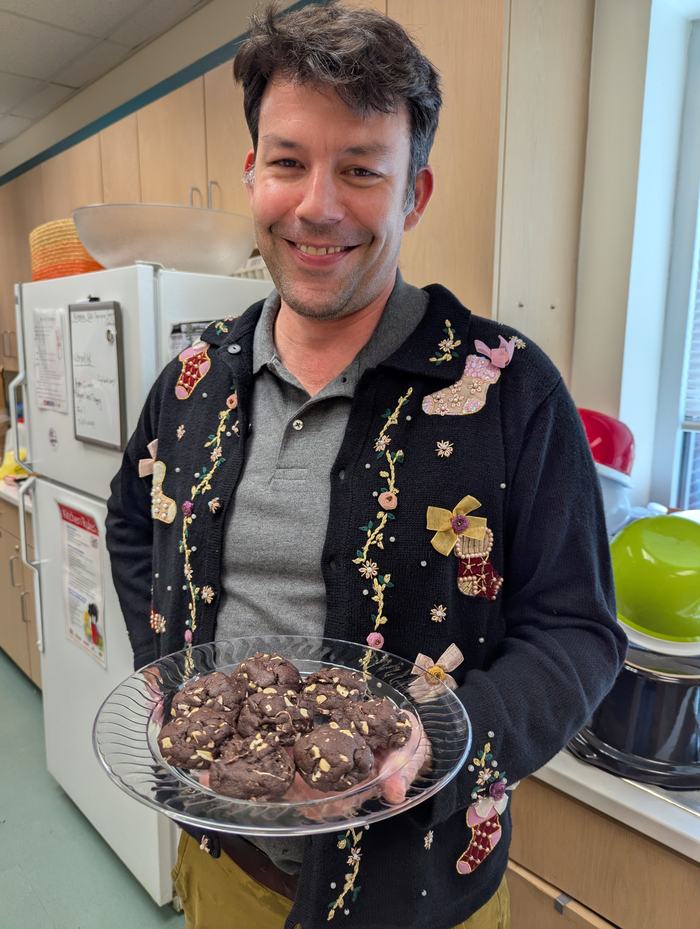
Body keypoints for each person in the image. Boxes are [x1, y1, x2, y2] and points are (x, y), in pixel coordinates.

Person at [106, 3, 627, 928]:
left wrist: (436, 740)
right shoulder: (191, 380)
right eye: (289, 162)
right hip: (227, 870)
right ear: (252, 173)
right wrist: (166, 669)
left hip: (421, 885)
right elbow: (133, 521)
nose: (318, 205)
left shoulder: (508, 392)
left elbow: (579, 633)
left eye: (360, 170)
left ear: (413, 195)